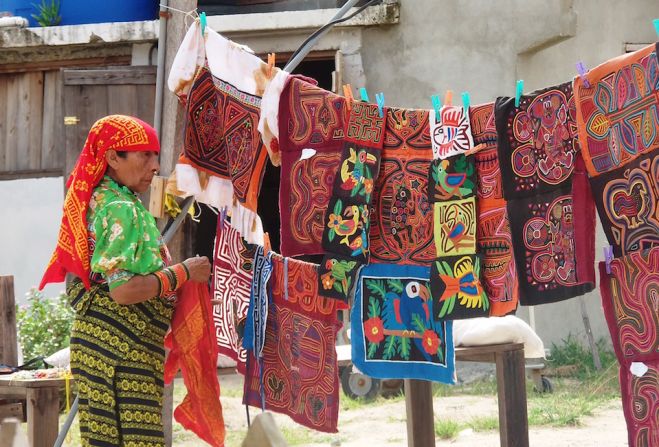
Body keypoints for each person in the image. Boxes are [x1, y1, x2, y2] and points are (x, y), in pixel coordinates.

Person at [40, 114, 211, 446]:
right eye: (144, 155)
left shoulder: (96, 199)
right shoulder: (121, 209)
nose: (154, 165)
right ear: (112, 158)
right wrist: (184, 272)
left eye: (155, 155)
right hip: (122, 353)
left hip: (96, 348)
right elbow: (124, 290)